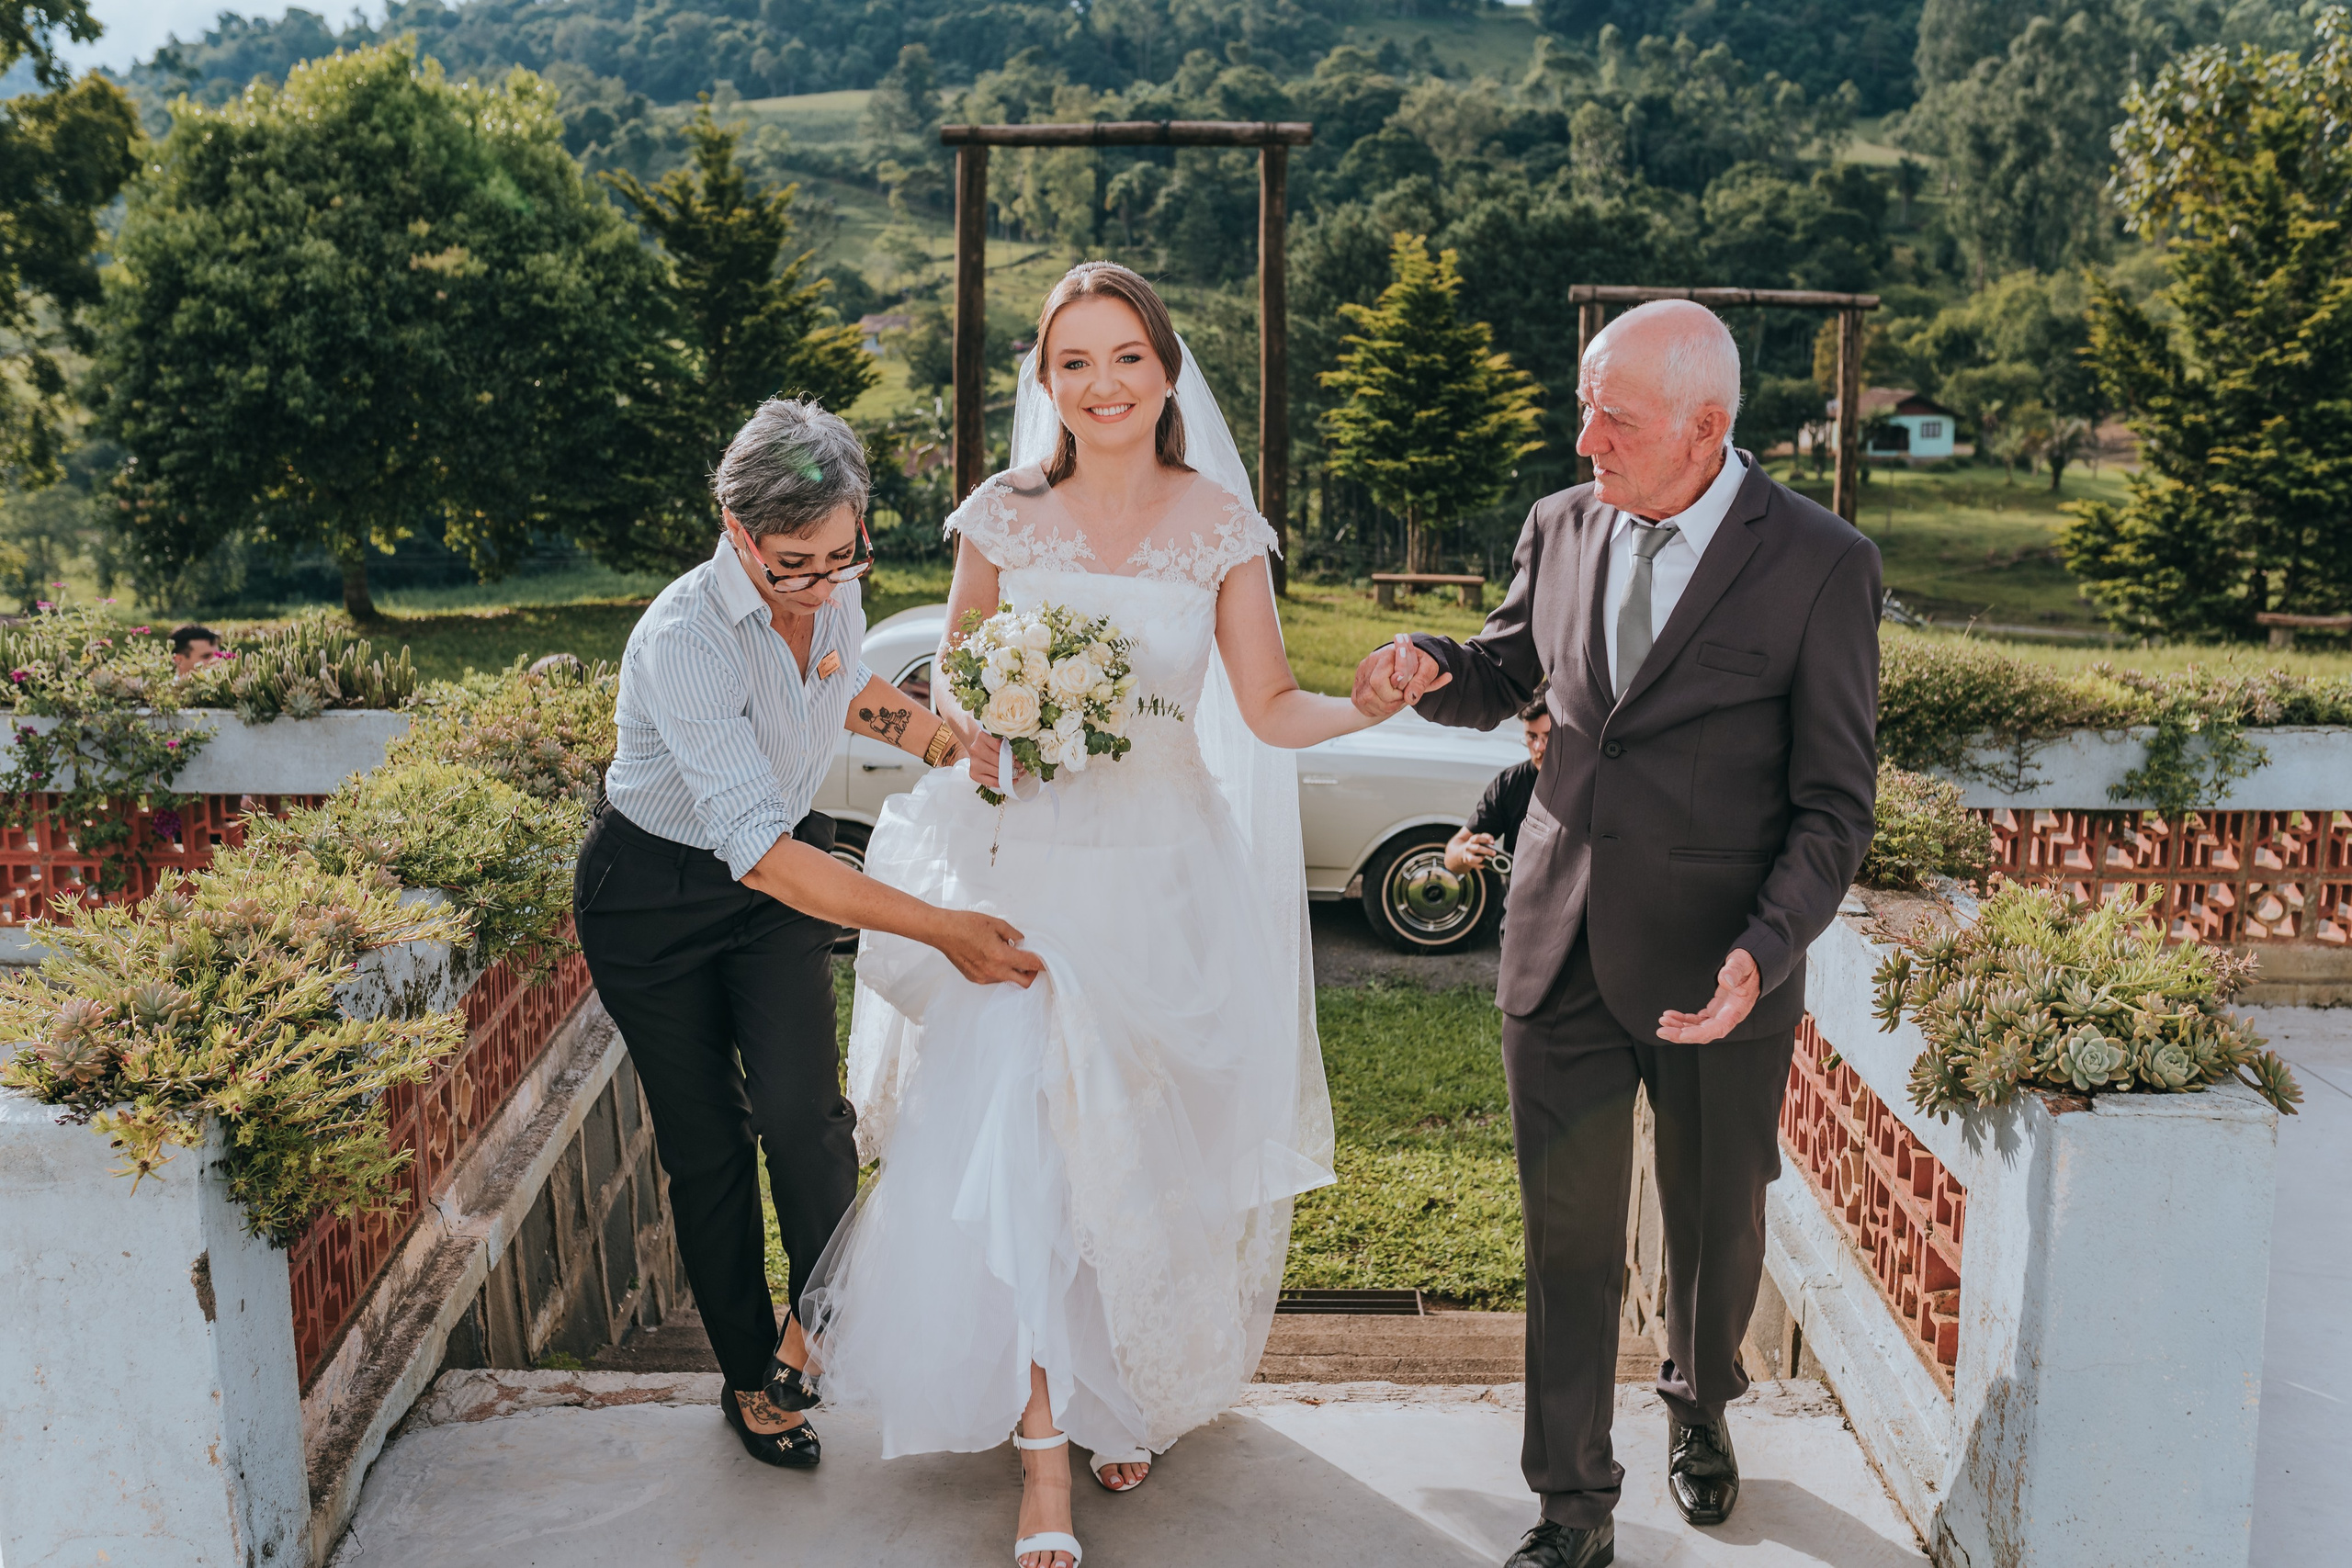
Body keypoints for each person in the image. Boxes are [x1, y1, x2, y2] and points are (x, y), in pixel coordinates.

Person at [794, 264, 1370, 1568]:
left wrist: (1368, 707)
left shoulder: (1220, 527)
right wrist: (994, 722)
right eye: (1074, 362)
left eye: (1126, 358)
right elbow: (957, 679)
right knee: (1028, 1136)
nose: (1102, 385)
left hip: (1164, 875)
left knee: (1140, 1153)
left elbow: (1271, 707)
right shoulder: (1002, 513)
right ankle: (1043, 1449)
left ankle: (1116, 1387)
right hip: (1027, 865)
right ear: (1044, 381)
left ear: (1166, 372)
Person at [1354, 299, 1879, 1568]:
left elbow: (1833, 803)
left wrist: (1766, 948)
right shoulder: (1561, 522)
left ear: (1707, 426)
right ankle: (1572, 1507)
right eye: (1585, 407)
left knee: (1713, 1227)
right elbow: (1504, 669)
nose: (1586, 438)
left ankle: (1701, 1403)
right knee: (1567, 1240)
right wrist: (1429, 660)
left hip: (1719, 965)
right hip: (1558, 944)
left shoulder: (1822, 561)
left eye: (1616, 420)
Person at [573, 399, 1045, 1474]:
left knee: (807, 1122)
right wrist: (944, 930)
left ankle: (816, 1336)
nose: (825, 587)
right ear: (735, 529)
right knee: (708, 1148)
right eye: (795, 566)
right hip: (654, 900)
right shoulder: (684, 641)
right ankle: (750, 1378)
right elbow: (758, 854)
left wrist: (945, 743)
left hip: (780, 869)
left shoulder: (830, 589)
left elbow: (840, 686)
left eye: (844, 558)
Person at [1444, 690, 1551, 877]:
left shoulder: (1590, 782)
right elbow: (1451, 856)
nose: (1538, 747)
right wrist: (1465, 853)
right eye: (1532, 736)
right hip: (1518, 895)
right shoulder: (1509, 783)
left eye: (1548, 736)